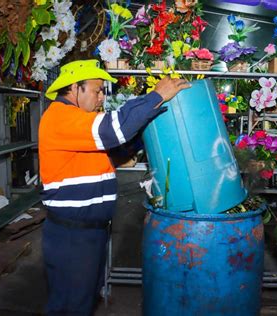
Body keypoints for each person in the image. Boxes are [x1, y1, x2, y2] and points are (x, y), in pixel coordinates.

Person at [38, 59, 190, 315]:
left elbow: (110, 151)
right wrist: (155, 96)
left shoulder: (78, 124)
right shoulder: (60, 117)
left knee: (82, 301)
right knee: (70, 306)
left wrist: (143, 133)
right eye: (97, 91)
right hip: (72, 237)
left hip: (89, 233)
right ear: (76, 88)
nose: (101, 99)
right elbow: (112, 130)